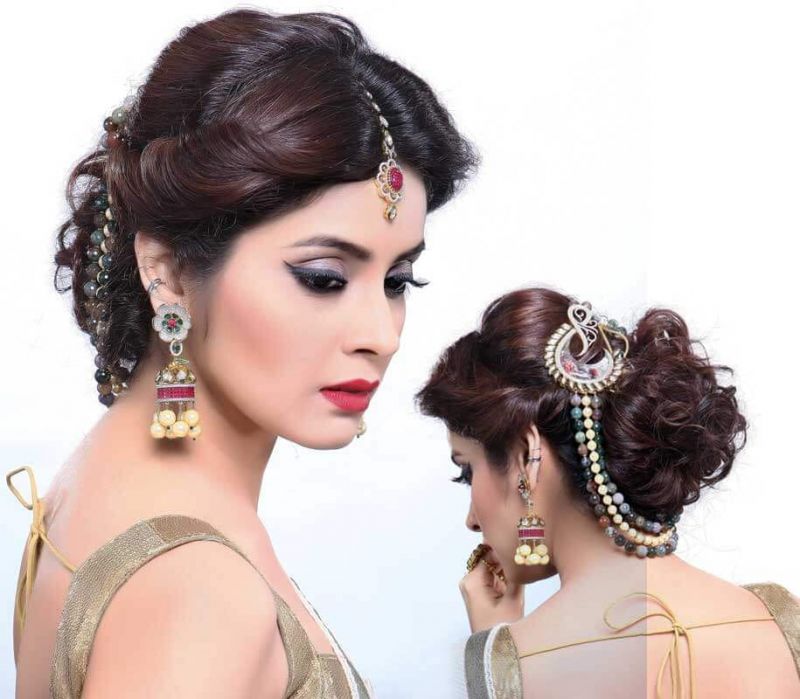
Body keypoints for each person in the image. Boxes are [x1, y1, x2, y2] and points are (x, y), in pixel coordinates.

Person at [5, 8, 477, 698]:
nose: (382, 333)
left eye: (397, 280)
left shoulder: (96, 475)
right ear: (167, 272)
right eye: (324, 278)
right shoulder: (199, 588)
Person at [416, 287, 800, 698]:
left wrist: (499, 656)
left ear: (528, 457)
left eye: (467, 470)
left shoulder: (517, 664)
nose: (471, 520)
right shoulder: (780, 620)